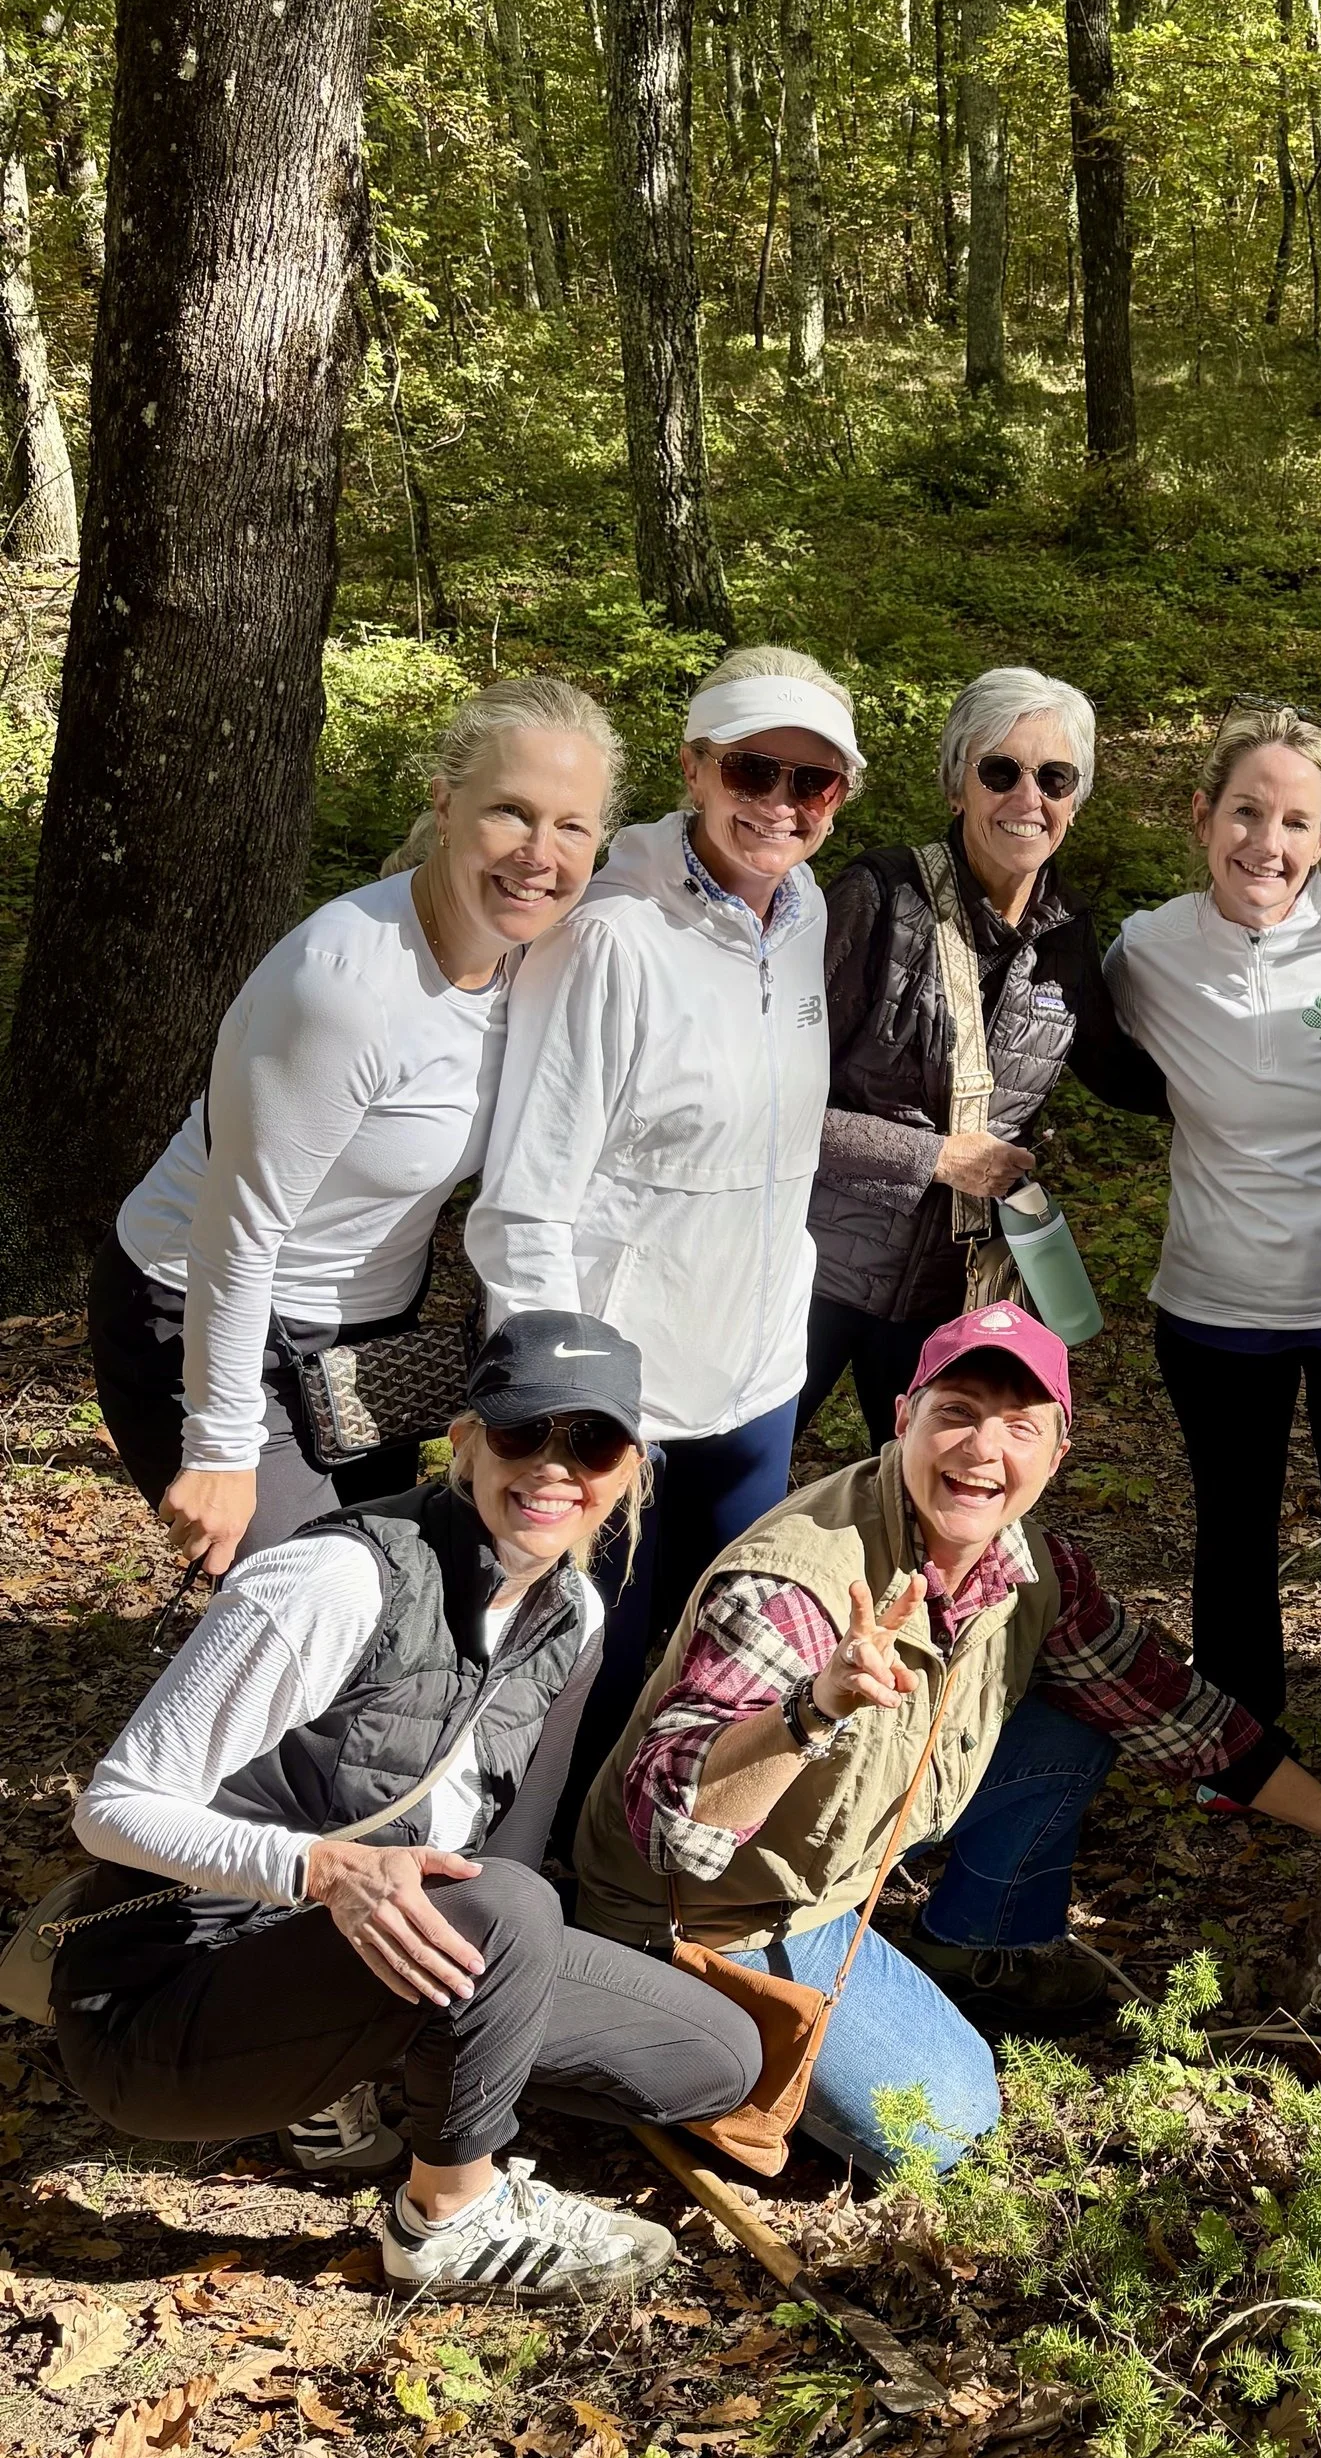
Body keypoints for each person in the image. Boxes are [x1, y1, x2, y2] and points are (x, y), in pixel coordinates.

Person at [56, 1316, 762, 2303]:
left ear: (631, 1467)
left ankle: (358, 2072)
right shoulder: (339, 1579)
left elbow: (503, 1848)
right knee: (507, 1905)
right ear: (466, 1438)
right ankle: (447, 2216)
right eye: (524, 1435)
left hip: (351, 1962)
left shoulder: (572, 1613)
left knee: (714, 2056)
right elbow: (114, 1809)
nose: (554, 1469)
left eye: (591, 1442)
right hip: (164, 2005)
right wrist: (320, 1872)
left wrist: (494, 2003)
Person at [568, 1307, 1321, 2140]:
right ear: (903, 1419)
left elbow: (1160, 1700)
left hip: (847, 1837)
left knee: (1076, 1726)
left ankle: (969, 1947)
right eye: (955, 1411)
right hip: (712, 1910)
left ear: (1056, 1456)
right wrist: (814, 1709)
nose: (983, 1449)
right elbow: (675, 1833)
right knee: (949, 2123)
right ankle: (658, 2028)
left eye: (1019, 1427)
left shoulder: (1031, 1568)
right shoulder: (802, 1584)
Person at [94, 675, 623, 1581]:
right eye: (510, 812)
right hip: (208, 1316)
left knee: (382, 1596)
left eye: (572, 826)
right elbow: (238, 1227)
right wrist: (220, 1443)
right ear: (446, 804)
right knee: (310, 1607)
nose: (540, 853)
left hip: (373, 1339)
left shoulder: (532, 960)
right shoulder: (345, 984)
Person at [469, 643, 864, 1820]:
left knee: (725, 1660)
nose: (780, 805)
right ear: (695, 767)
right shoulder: (611, 931)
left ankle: (660, 1889)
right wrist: (557, 1410)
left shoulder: (803, 910)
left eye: (814, 783)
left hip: (753, 1373)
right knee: (579, 1671)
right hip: (617, 1392)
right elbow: (525, 1197)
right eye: (754, 769)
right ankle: (527, 1899)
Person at [1104, 703, 1321, 1762]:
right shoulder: (1145, 952)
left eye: (1296, 822)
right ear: (1203, 816)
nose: (1268, 843)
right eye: (1246, 813)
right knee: (1232, 1526)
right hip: (1214, 1296)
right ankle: (1239, 1719)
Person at [799, 665, 1164, 1450]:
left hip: (947, 1290)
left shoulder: (1066, 931)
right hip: (811, 1273)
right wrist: (937, 1156)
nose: (1028, 798)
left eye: (1055, 777)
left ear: (1076, 799)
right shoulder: (880, 897)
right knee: (731, 1497)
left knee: (929, 1516)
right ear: (955, 784)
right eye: (1000, 771)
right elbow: (774, 1102)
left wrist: (1265, 1084)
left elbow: (1120, 1073)